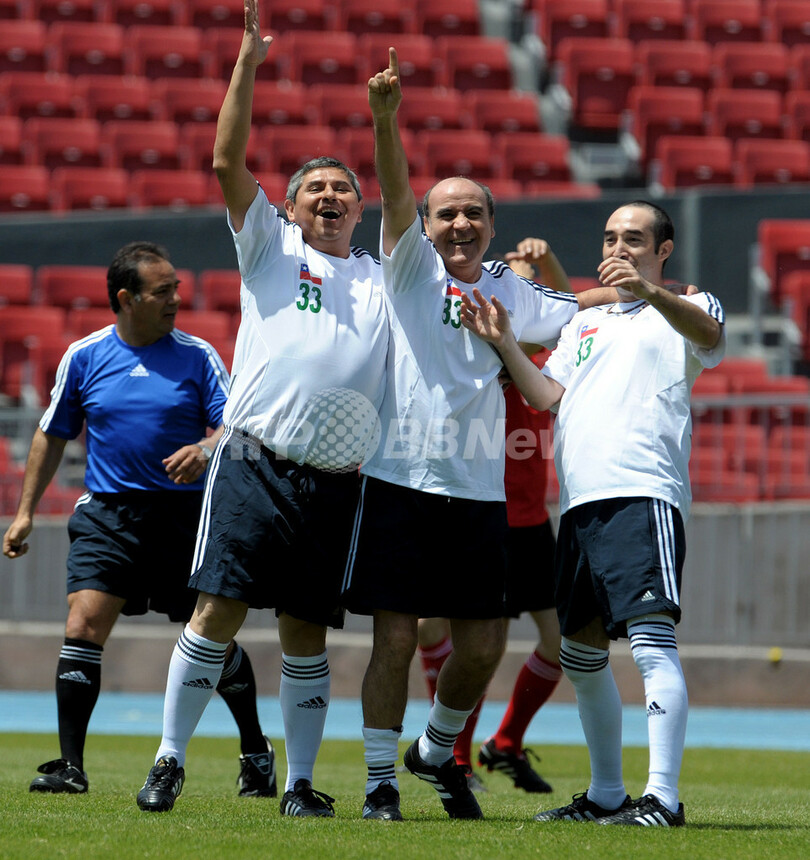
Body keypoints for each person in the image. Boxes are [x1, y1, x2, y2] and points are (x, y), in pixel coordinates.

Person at [342, 49, 615, 822]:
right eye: (446, 213)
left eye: (473, 213)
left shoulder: (509, 292)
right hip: (397, 482)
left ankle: (434, 750)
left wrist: (652, 296)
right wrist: (386, 120)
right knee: (395, 641)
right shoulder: (409, 269)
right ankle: (379, 783)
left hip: (477, 494)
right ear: (425, 227)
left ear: (491, 227)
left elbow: (577, 307)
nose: (459, 223)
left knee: (485, 646)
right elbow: (394, 189)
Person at [135, 0, 388, 817]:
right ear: (290, 206)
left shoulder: (383, 279)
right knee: (217, 610)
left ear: (360, 209)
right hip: (252, 462)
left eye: (342, 189)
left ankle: (302, 783)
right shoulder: (271, 248)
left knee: (306, 632)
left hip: (337, 480)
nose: (328, 196)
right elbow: (224, 158)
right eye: (314, 188)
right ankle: (169, 758)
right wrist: (248, 61)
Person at [460, 200, 726, 827]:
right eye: (610, 238)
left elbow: (711, 336)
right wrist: (505, 344)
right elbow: (546, 395)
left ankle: (662, 799)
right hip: (579, 505)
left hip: (642, 493)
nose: (617, 248)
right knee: (580, 656)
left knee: (652, 643)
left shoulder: (688, 305)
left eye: (633, 239)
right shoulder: (585, 323)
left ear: (663, 251)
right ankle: (608, 794)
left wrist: (649, 292)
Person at [2, 241, 273, 800]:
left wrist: (205, 447)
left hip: (184, 518)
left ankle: (256, 751)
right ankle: (70, 766)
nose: (176, 299)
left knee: (211, 642)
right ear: (126, 299)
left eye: (177, 288)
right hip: (108, 515)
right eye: (163, 291)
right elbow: (52, 434)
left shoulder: (198, 356)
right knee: (83, 624)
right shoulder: (84, 356)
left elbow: (236, 428)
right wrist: (25, 513)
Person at [416, 240, 571, 794]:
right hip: (477, 506)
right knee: (461, 635)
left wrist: (549, 263)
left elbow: (571, 315)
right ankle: (454, 755)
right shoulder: (473, 352)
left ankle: (503, 742)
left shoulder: (544, 359)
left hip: (529, 518)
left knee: (561, 641)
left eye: (533, 289)